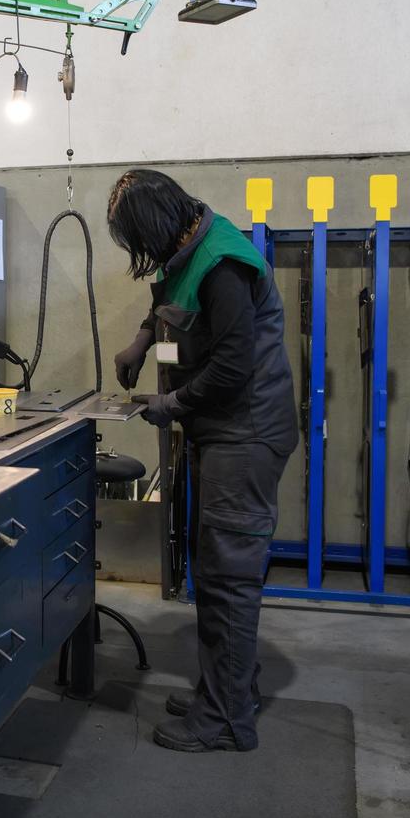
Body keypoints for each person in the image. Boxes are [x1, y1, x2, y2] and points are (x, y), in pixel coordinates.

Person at [106, 168, 298, 753]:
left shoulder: (222, 265)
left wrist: (170, 404)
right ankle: (229, 688)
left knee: (228, 577)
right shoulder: (183, 252)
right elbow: (165, 305)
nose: (142, 254)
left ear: (160, 224)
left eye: (139, 238)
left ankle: (226, 719)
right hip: (221, 433)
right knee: (213, 571)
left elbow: (233, 367)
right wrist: (142, 343)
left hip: (246, 433)